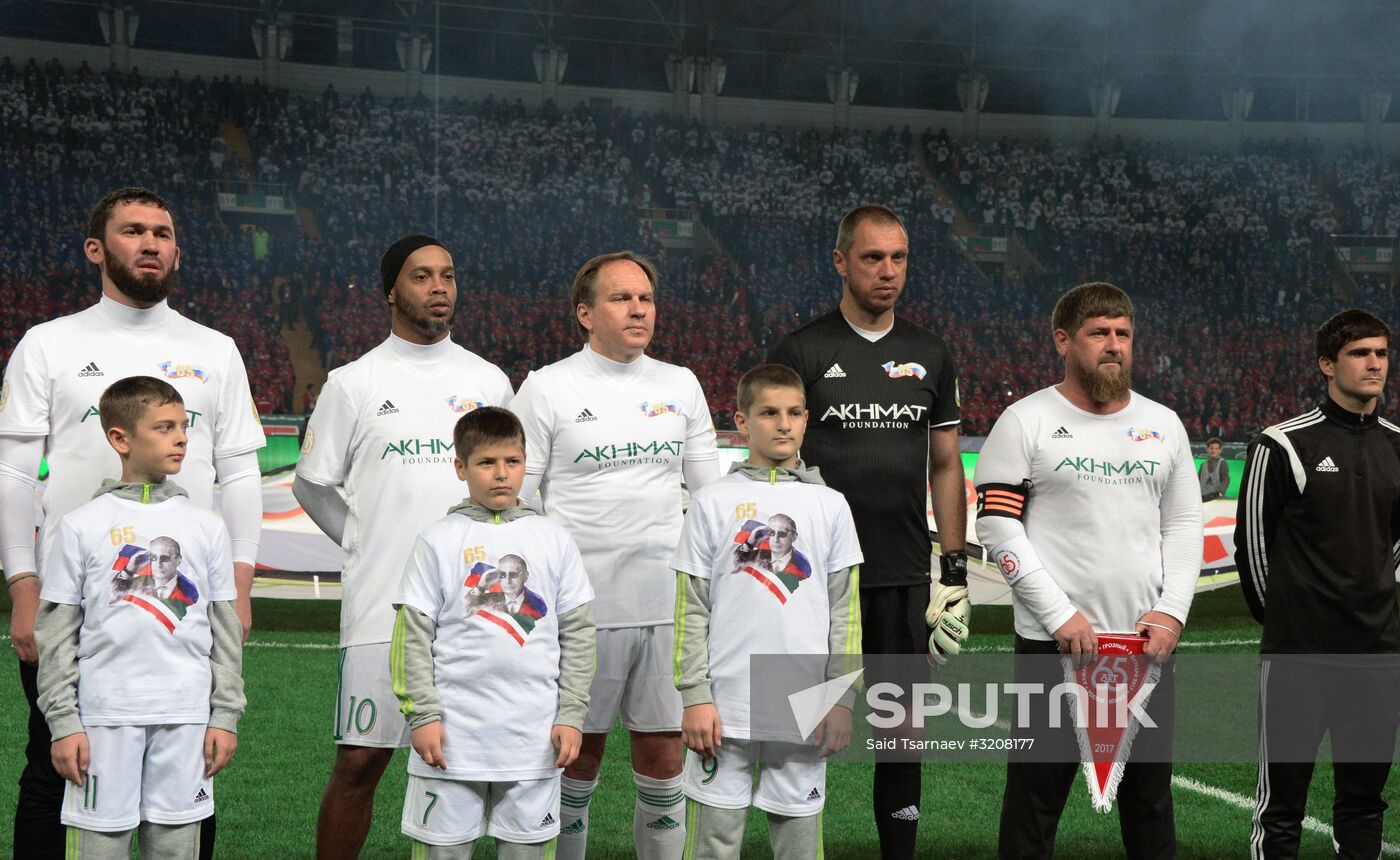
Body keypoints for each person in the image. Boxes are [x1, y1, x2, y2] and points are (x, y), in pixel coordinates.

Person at [0, 187, 265, 858]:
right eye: (133, 231)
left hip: (183, 600)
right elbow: (13, 477)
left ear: (178, 251)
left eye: (163, 233)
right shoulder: (48, 345)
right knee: (53, 760)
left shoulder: (216, 350)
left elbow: (237, 475)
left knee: (194, 762)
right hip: (77, 594)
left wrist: (238, 585)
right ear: (97, 249)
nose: (151, 243)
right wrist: (24, 588)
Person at [292, 234, 513, 858]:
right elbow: (313, 484)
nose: (439, 287)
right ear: (391, 290)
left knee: (473, 763)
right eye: (422, 276)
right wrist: (361, 542)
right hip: (382, 610)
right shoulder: (353, 382)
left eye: (447, 274)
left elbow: (519, 483)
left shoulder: (488, 379)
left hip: (473, 612)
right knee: (361, 763)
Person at [766, 204, 968, 860]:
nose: (888, 271)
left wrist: (955, 573)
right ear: (841, 262)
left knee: (901, 732)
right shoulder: (801, 351)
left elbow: (944, 467)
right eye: (873, 257)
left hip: (902, 574)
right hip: (816, 580)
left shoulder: (931, 354)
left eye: (899, 258)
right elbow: (776, 465)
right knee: (804, 727)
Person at [973, 282, 1202, 859]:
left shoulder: (1164, 425)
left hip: (1144, 648)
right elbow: (999, 528)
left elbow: (1182, 528)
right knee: (1033, 807)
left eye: (1123, 334)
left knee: (1150, 807)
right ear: (1063, 341)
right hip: (1054, 648)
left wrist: (1171, 613)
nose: (1114, 345)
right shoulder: (1024, 420)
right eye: (1099, 333)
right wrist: (1059, 616)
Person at [511, 251, 721, 859]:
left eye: (646, 299)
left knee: (663, 757)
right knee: (577, 754)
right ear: (585, 313)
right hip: (580, 612)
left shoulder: (679, 384)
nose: (637, 309)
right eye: (620, 298)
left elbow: (709, 501)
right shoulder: (548, 388)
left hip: (666, 606)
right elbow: (521, 509)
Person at [34, 376, 244, 857]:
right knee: (99, 848)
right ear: (120, 439)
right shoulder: (81, 526)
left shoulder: (207, 527)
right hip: (105, 717)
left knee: (175, 846)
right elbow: (56, 635)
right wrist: (64, 723)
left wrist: (225, 715)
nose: (182, 437)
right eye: (164, 427)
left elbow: (225, 632)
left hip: (187, 716)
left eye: (184, 426)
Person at [671, 364, 863, 859]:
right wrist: (695, 696)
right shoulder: (711, 502)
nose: (783, 424)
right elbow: (691, 609)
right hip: (723, 704)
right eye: (769, 413)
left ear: (806, 420)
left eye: (794, 413)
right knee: (713, 843)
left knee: (799, 844)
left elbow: (846, 611)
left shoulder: (831, 505)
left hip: (804, 704)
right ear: (742, 422)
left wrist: (840, 697)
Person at [392, 406, 596, 858]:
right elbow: (411, 638)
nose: (501, 474)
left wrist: (571, 715)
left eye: (512, 462)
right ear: (461, 467)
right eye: (487, 463)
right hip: (452, 742)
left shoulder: (554, 538)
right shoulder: (438, 539)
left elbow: (579, 635)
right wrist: (422, 716)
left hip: (534, 741)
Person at [1234, 309, 1400, 859]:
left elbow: (1395, 544)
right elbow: (1253, 548)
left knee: (1364, 803)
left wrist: (1374, 594)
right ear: (1327, 364)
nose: (1374, 363)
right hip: (1297, 658)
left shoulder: (1398, 445)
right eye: (1360, 353)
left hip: (1377, 655)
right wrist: (1285, 620)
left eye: (1380, 352)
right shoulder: (1280, 445)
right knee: (1281, 807)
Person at [1198, 437, 1230, 502]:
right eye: (1211, 448)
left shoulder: (1222, 463)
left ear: (1220, 450)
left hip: (1216, 499)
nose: (1214, 451)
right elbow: (1197, 480)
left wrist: (1221, 492)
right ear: (1207, 449)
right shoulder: (1203, 465)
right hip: (1202, 498)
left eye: (1216, 449)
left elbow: (1226, 479)